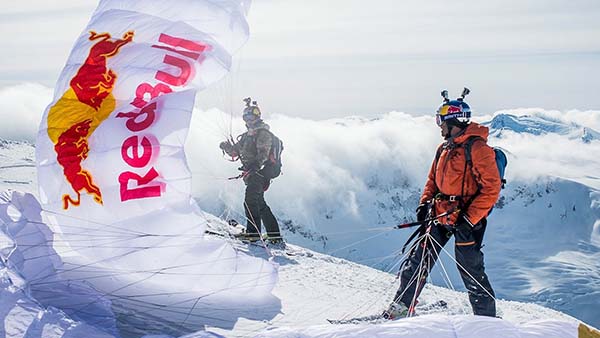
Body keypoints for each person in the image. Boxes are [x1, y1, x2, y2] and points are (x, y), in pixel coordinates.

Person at [384, 88, 501, 319]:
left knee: (471, 269)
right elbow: (432, 180)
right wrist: (424, 203)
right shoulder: (444, 148)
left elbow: (491, 188)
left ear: (453, 121)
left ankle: (487, 320)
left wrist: (470, 219)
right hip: (439, 215)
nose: (438, 126)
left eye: (441, 120)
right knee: (418, 261)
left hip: (468, 219)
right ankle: (401, 307)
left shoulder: (478, 149)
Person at [219, 98, 283, 244]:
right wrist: (226, 147)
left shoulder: (263, 134)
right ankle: (274, 235)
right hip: (253, 172)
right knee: (259, 203)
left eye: (251, 116)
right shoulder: (247, 136)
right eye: (246, 117)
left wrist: (255, 166)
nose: (248, 120)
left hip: (260, 172)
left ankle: (253, 234)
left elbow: (263, 153)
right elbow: (236, 153)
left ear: (257, 117)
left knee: (250, 200)